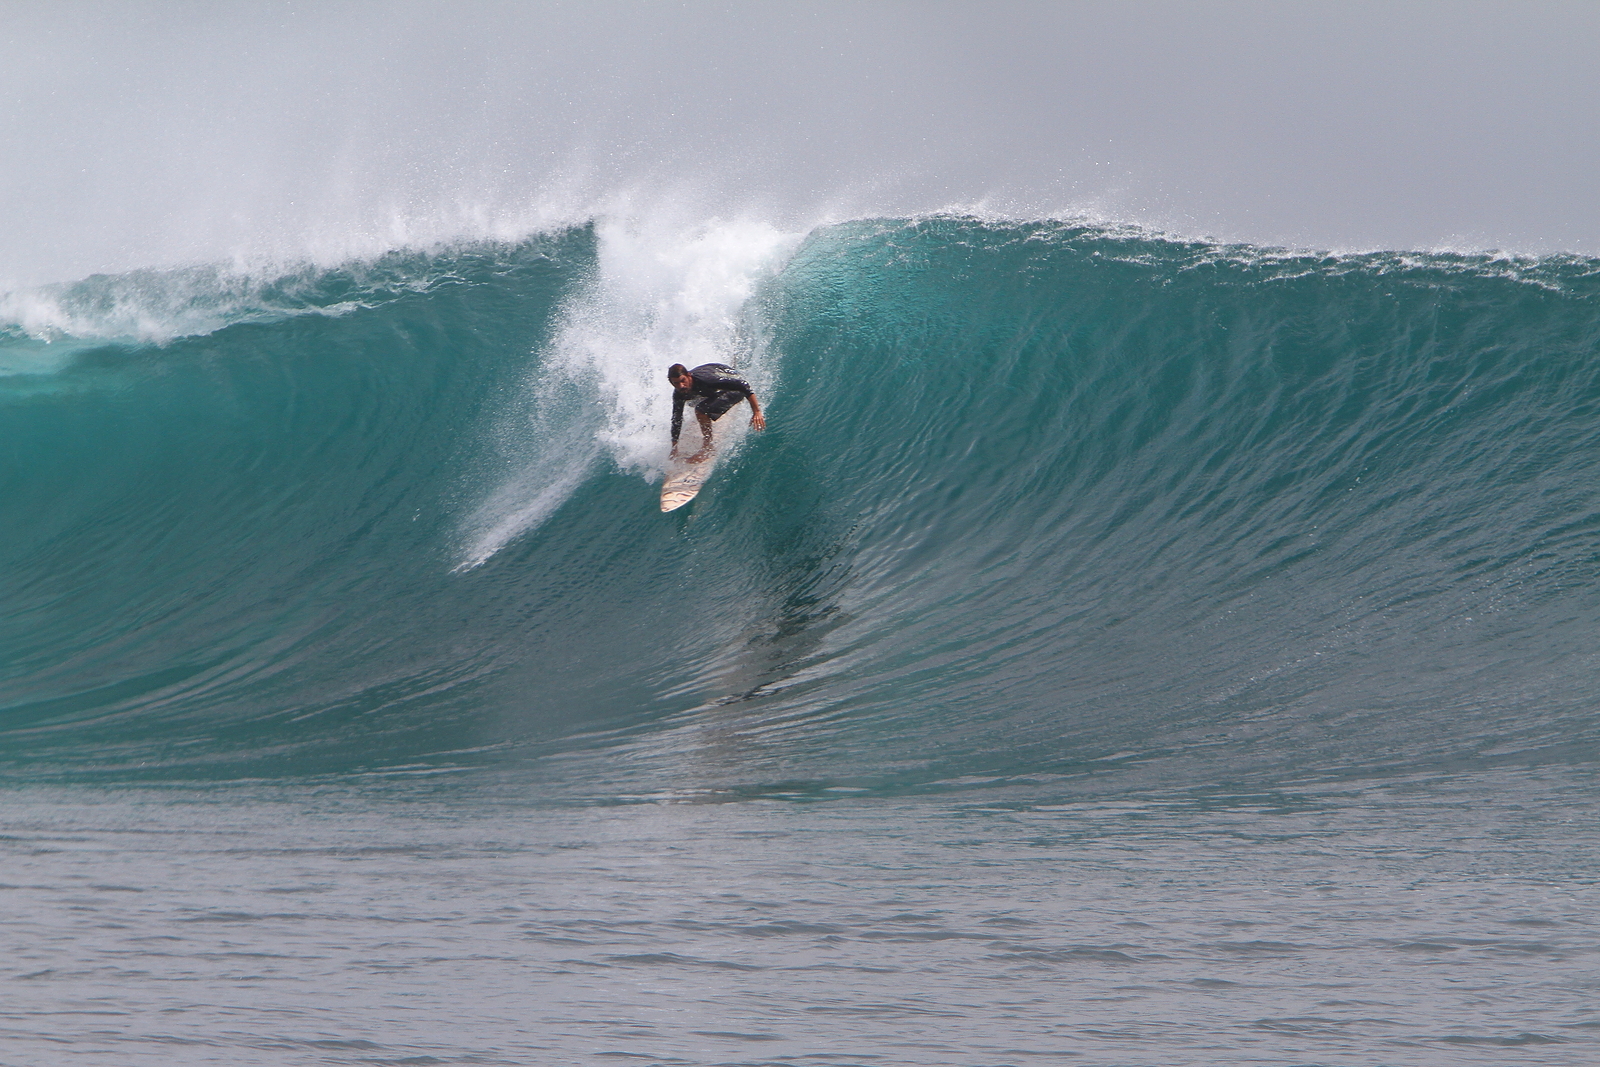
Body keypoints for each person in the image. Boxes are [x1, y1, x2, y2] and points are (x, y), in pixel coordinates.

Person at [668, 362, 765, 462]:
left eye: (683, 380)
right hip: (720, 376)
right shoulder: (679, 392)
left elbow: (744, 385)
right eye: (676, 383)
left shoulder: (706, 380)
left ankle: (708, 447)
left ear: (689, 375)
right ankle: (713, 405)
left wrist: (756, 411)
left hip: (736, 388)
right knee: (691, 402)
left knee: (700, 411)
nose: (681, 385)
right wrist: (674, 447)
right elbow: (677, 418)